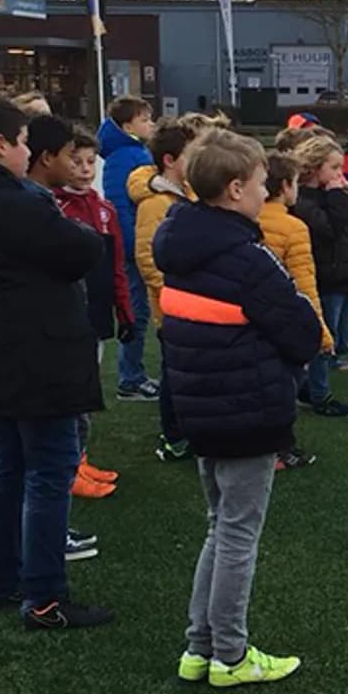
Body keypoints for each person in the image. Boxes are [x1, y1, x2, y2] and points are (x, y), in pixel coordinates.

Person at [0, 91, 113, 628]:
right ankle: (44, 597)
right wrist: (81, 233)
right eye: (21, 140)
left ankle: (5, 579)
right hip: (38, 356)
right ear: (0, 145)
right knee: (48, 470)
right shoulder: (12, 202)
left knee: (11, 467)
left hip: (1, 354)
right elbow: (83, 250)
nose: (27, 150)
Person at [155, 128, 318, 688]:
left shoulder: (180, 244)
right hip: (246, 412)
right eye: (260, 183)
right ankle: (230, 654)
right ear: (233, 188)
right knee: (237, 535)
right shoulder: (248, 259)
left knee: (219, 527)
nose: (265, 191)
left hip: (202, 410)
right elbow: (301, 332)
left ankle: (199, 647)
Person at [37, 119, 131, 499]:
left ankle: (79, 458)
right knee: (71, 392)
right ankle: (68, 466)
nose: (84, 169)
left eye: (91, 162)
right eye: (75, 161)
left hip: (96, 314)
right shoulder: (53, 207)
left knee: (87, 389)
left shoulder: (104, 208)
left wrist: (123, 309)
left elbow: (116, 264)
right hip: (68, 314)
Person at [130, 116, 206, 462]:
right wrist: (174, 294)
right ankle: (173, 437)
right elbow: (148, 258)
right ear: (170, 160)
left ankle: (188, 430)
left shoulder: (187, 195)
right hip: (173, 307)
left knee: (189, 372)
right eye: (191, 155)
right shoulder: (156, 202)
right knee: (174, 374)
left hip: (191, 303)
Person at [261, 151, 348, 426]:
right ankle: (312, 401)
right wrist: (322, 333)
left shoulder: (245, 219)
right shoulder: (293, 227)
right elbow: (304, 284)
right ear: (285, 186)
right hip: (286, 308)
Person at [98, 95, 159, 402]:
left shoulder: (133, 152)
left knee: (140, 308)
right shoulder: (125, 157)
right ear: (127, 126)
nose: (151, 124)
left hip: (138, 239)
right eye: (145, 120)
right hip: (134, 243)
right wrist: (133, 244)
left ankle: (133, 374)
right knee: (137, 309)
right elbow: (121, 205)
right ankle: (130, 377)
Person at [293, 133, 348, 373]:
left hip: (346, 270)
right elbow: (330, 230)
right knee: (329, 325)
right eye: (334, 168)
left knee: (346, 331)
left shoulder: (336, 193)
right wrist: (335, 196)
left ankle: (336, 356)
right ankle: (320, 367)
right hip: (326, 273)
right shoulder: (304, 200)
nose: (339, 173)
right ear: (315, 168)